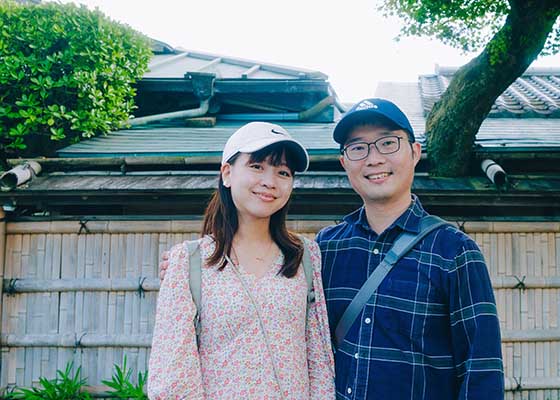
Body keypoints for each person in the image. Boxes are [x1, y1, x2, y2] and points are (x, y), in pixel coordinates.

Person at [317, 98, 504, 399]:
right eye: (358, 148)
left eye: (387, 143)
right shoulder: (326, 247)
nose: (374, 159)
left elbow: (481, 369)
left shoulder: (455, 252)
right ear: (344, 163)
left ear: (415, 152)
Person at [148, 121, 335, 400]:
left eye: (283, 172)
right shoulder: (188, 261)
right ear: (227, 173)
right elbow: (173, 374)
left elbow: (318, 359)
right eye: (257, 166)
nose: (270, 181)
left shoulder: (306, 256)